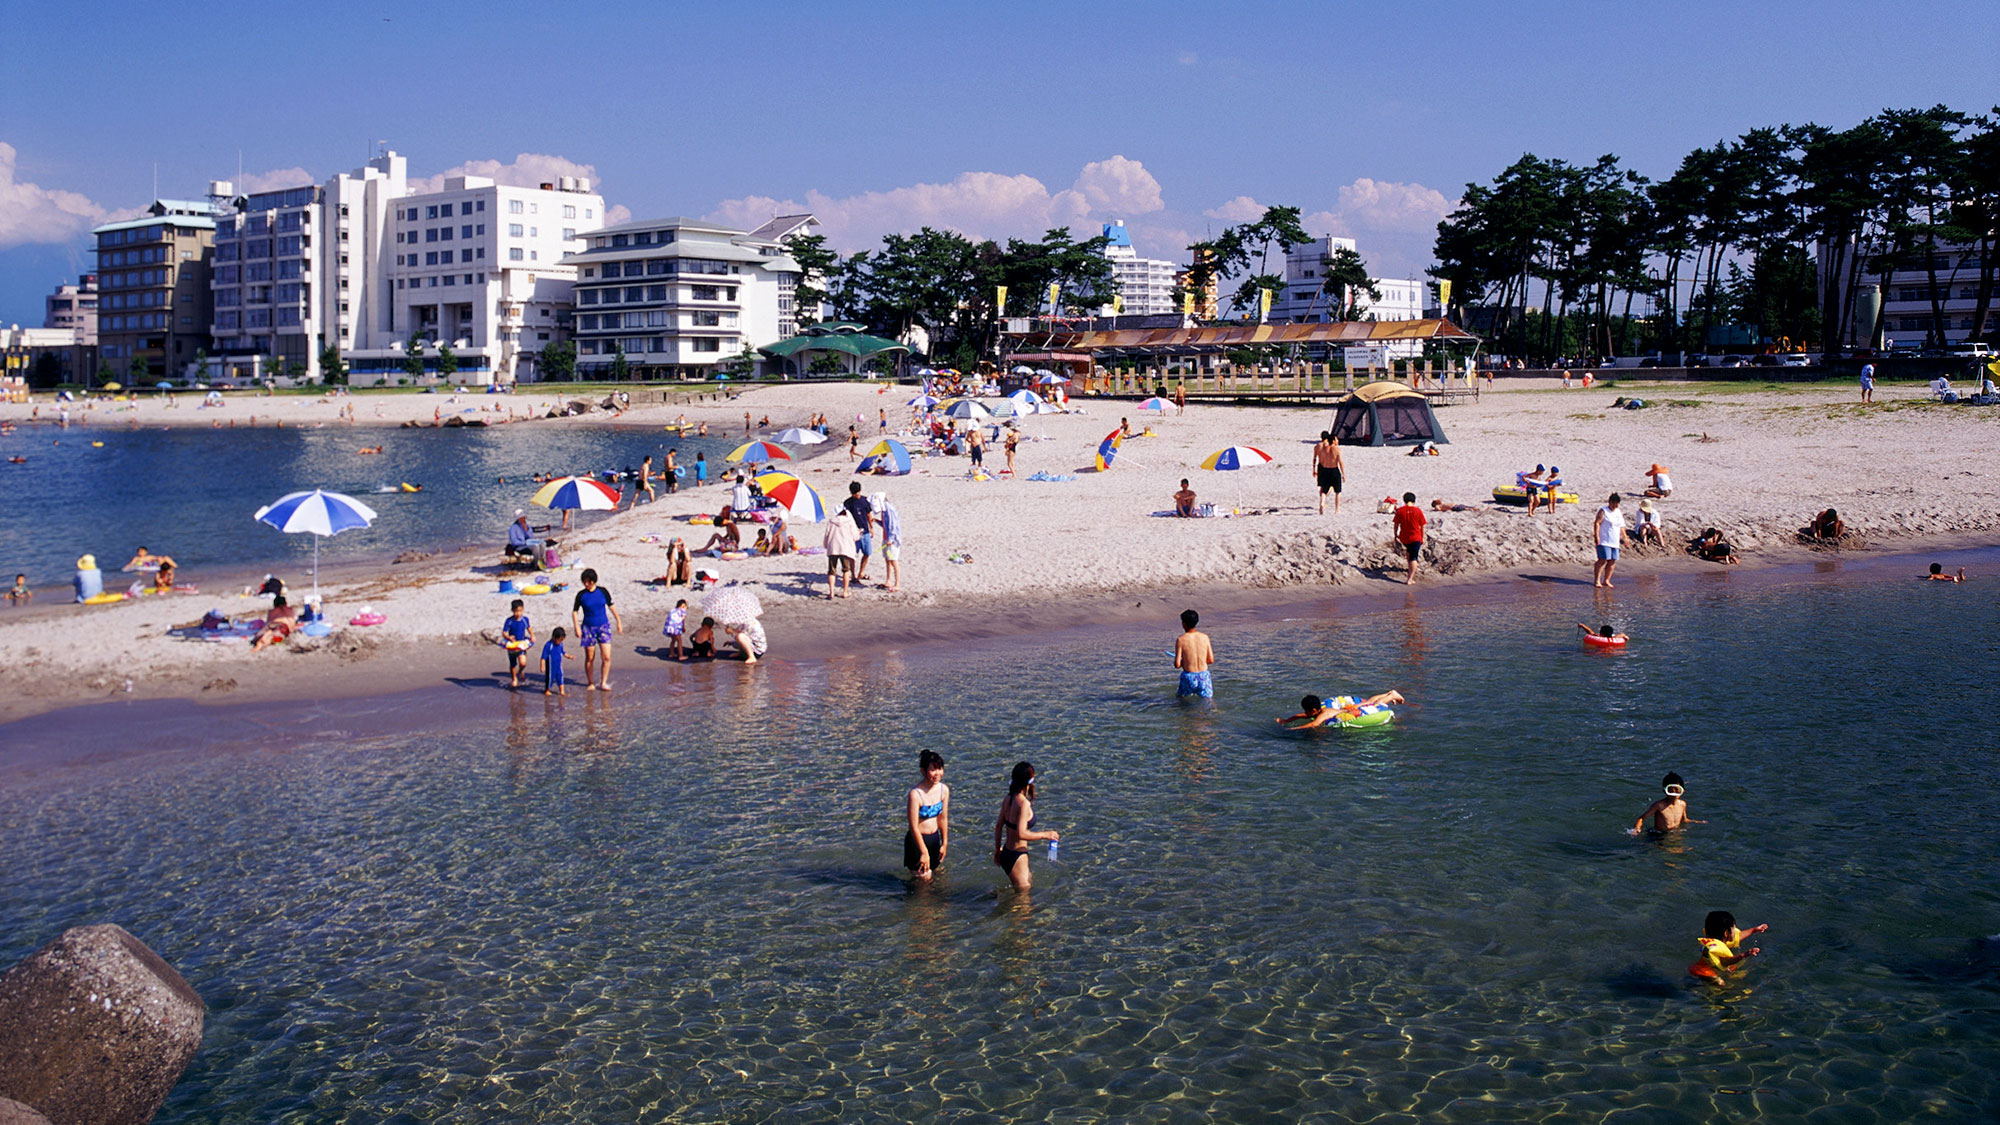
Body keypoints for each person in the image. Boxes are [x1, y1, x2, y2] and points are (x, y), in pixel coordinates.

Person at [993, 761, 1058, 890]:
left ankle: (1000, 896)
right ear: (1029, 781)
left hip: (1006, 852)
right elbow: (1022, 833)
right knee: (1024, 903)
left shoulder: (1008, 798)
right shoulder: (1023, 804)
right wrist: (1047, 834)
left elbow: (998, 827)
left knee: (1026, 882)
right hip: (1017, 856)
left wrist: (997, 850)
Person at [569, 567, 622, 691]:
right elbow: (575, 612)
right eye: (584, 582)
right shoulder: (581, 595)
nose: (586, 584)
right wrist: (576, 626)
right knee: (590, 657)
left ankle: (603, 682)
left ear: (593, 580)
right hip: (588, 628)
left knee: (606, 656)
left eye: (588, 581)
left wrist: (618, 621)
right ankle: (591, 682)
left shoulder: (603, 591)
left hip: (604, 626)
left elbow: (611, 606)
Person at [905, 750, 951, 881]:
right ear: (923, 771)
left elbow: (943, 818)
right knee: (922, 883)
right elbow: (913, 826)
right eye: (933, 770)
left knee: (938, 879)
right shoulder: (915, 794)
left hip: (934, 839)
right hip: (917, 841)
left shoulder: (944, 790)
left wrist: (945, 843)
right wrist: (923, 852)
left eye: (940, 769)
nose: (938, 773)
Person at [1690, 910, 1768, 982]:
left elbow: (1738, 937)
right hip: (1705, 972)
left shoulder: (1717, 940)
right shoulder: (1717, 947)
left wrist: (1754, 930)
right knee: (1724, 986)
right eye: (1734, 927)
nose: (1736, 930)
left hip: (1698, 969)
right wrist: (1743, 955)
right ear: (1726, 933)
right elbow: (1725, 961)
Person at [1277, 690, 1405, 729]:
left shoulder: (1324, 713)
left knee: (1372, 703)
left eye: (1308, 711)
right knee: (1370, 701)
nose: (1306, 713)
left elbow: (1313, 724)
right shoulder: (1316, 711)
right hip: (1346, 709)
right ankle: (1389, 694)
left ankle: (1391, 695)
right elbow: (1299, 716)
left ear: (1315, 710)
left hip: (1350, 712)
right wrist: (1286, 720)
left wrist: (1293, 728)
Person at [1629, 771, 1702, 834]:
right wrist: (1637, 828)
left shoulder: (1682, 804)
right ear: (1665, 791)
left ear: (1683, 791)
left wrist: (1696, 822)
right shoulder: (1659, 805)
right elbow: (1642, 818)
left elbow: (1684, 820)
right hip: (1658, 835)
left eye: (1677, 790)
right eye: (1670, 790)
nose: (1674, 794)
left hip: (1674, 833)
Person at [1173, 608, 1215, 698]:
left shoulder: (1181, 639)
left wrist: (1184, 662)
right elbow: (1211, 660)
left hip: (1189, 676)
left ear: (1183, 624)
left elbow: (1177, 664)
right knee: (1207, 700)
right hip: (1204, 676)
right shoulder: (1205, 637)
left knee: (1182, 700)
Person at [1591, 493, 1626, 588]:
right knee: (1603, 559)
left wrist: (1625, 537)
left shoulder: (1618, 512)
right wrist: (1597, 536)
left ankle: (1606, 580)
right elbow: (1597, 523)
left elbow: (1621, 526)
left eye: (1617, 504)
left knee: (1612, 561)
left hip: (1615, 541)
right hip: (1604, 540)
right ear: (1610, 502)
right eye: (1613, 504)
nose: (1615, 506)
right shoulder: (1603, 511)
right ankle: (1597, 580)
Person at [823, 507, 858, 598]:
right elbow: (855, 536)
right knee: (846, 570)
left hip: (833, 547)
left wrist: (826, 545)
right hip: (845, 548)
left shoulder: (831, 521)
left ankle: (831, 592)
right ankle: (845, 592)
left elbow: (827, 535)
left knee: (831, 571)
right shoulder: (849, 521)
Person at [1392, 492, 1426, 585]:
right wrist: (1422, 537)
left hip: (1404, 537)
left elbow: (1396, 525)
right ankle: (1410, 579)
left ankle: (1409, 568)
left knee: (1409, 552)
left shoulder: (1400, 511)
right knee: (1413, 557)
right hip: (1415, 537)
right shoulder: (1418, 511)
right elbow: (1422, 526)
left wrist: (1395, 535)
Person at [843, 483, 875, 582]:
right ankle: (853, 575)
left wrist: (871, 528)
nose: (855, 495)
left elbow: (869, 514)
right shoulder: (847, 503)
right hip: (853, 533)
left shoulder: (865, 501)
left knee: (867, 552)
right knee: (852, 555)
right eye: (853, 494)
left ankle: (861, 572)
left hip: (865, 531)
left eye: (856, 493)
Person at [502, 598, 534, 688]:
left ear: (523, 609)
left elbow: (529, 628)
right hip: (512, 645)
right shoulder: (509, 621)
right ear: (512, 610)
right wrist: (508, 637)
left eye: (520, 611)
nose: (518, 613)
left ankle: (520, 671)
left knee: (523, 662)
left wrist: (532, 635)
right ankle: (514, 678)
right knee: (513, 664)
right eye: (516, 611)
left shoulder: (525, 619)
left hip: (521, 645)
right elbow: (504, 632)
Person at [875, 494, 902, 592]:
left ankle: (897, 584)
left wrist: (890, 539)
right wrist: (877, 521)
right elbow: (886, 524)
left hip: (892, 540)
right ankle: (888, 581)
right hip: (886, 538)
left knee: (893, 560)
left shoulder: (889, 509)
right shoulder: (884, 509)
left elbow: (893, 525)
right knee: (887, 559)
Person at [1313, 431, 1344, 514]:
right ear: (1333, 440)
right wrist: (1343, 474)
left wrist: (1314, 469)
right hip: (1334, 469)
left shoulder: (1321, 449)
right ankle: (1337, 510)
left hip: (1324, 468)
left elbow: (1315, 459)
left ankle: (1322, 502)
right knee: (1338, 491)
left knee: (1323, 489)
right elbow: (1340, 462)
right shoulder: (1337, 450)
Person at [540, 627, 569, 696]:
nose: (560, 642)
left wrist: (568, 656)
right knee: (550, 678)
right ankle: (547, 690)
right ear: (553, 637)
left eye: (562, 640)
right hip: (550, 666)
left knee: (560, 677)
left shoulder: (560, 644)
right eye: (559, 640)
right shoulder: (549, 645)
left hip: (558, 665)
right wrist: (542, 665)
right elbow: (543, 657)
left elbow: (562, 652)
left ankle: (562, 690)